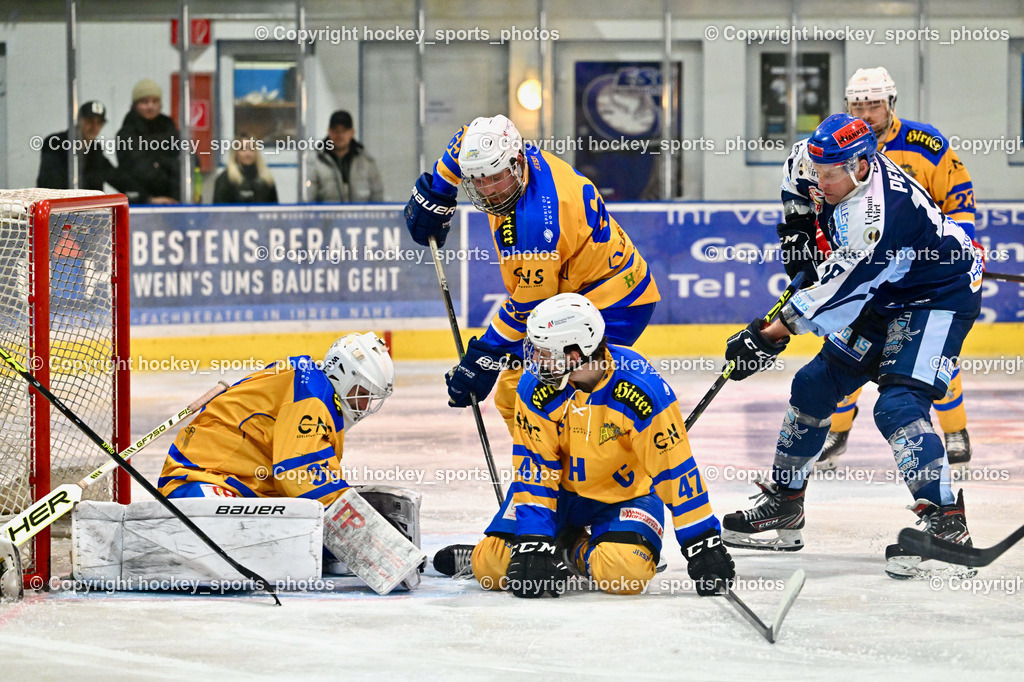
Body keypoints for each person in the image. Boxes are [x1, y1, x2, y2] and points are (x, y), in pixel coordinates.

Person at [723, 113, 983, 579]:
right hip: (885, 290)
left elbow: (835, 297)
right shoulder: (818, 158)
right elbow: (796, 180)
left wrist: (763, 338)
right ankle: (785, 503)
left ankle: (947, 526)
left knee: (899, 404)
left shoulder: (876, 219)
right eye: (819, 171)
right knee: (813, 385)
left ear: (862, 166)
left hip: (936, 296)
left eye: (831, 175)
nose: (820, 180)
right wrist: (799, 230)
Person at [434, 294, 734, 597]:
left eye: (543, 352)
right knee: (491, 567)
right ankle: (525, 545)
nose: (535, 360)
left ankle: (566, 548)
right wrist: (534, 538)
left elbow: (674, 468)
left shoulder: (642, 389)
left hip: (626, 495)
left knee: (625, 576)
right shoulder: (534, 387)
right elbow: (535, 467)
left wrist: (702, 541)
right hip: (560, 494)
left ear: (574, 354)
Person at [404, 114, 660, 434]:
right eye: (477, 180)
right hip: (585, 290)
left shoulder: (537, 226)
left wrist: (483, 357)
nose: (487, 191)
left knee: (532, 393)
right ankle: (550, 467)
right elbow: (464, 141)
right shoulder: (502, 147)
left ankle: (580, 470)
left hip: (615, 303)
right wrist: (440, 192)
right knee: (518, 393)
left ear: (517, 161)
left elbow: (527, 310)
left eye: (494, 178)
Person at [777, 67, 977, 471]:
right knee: (836, 355)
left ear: (891, 104)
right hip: (876, 269)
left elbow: (957, 195)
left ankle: (953, 429)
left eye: (874, 104)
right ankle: (836, 429)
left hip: (923, 275)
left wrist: (965, 242)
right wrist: (799, 232)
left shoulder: (924, 143)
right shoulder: (829, 147)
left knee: (915, 375)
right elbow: (804, 183)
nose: (866, 113)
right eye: (858, 105)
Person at [157, 332, 393, 504]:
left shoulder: (308, 383)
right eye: (361, 393)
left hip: (235, 482)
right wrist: (350, 516)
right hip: (199, 483)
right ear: (342, 374)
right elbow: (301, 477)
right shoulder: (312, 395)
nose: (363, 406)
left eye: (369, 399)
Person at [115, 79, 181, 204]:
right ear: (135, 105)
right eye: (144, 102)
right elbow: (135, 171)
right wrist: (148, 199)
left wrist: (158, 162)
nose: (150, 106)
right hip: (140, 203)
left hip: (173, 201)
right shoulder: (126, 134)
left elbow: (188, 162)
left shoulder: (170, 129)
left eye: (155, 101)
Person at [36, 100, 121, 191]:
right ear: (78, 120)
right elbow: (49, 182)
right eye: (90, 121)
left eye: (99, 123)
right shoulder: (55, 143)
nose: (94, 126)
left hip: (88, 204)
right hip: (59, 203)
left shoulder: (95, 150)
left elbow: (114, 177)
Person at [308, 110, 384, 203]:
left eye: (344, 131)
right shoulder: (316, 162)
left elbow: (377, 197)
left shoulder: (366, 162)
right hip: (327, 217)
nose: (339, 135)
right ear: (329, 132)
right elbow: (309, 199)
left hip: (361, 217)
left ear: (352, 132)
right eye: (335, 131)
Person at [212, 135, 278, 204]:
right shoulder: (225, 179)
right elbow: (218, 211)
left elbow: (275, 210)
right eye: (243, 149)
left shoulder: (266, 179)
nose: (248, 153)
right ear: (235, 153)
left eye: (251, 149)